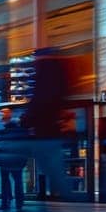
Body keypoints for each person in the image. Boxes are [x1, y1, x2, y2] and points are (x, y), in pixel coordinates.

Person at [19, 48, 74, 199]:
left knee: (52, 169)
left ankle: (62, 196)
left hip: (42, 132)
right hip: (51, 130)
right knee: (53, 168)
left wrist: (27, 119)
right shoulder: (59, 75)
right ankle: (60, 196)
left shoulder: (43, 76)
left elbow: (38, 102)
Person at [0, 110, 29, 210]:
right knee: (18, 181)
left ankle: (5, 202)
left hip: (5, 161)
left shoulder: (3, 135)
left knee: (5, 182)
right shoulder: (21, 136)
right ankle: (19, 203)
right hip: (17, 161)